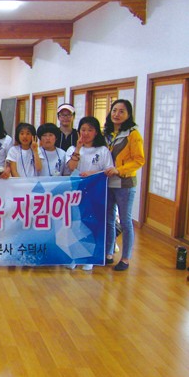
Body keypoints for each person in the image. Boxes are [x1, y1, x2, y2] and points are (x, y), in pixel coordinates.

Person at [65, 116, 114, 271]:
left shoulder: (103, 150)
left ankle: (90, 257)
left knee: (93, 223)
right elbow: (71, 168)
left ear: (96, 132)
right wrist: (78, 148)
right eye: (83, 130)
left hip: (96, 192)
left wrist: (92, 173)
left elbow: (108, 170)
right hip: (76, 191)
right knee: (76, 223)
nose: (86, 133)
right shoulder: (72, 149)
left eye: (90, 130)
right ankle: (75, 256)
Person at [103, 99, 145, 271]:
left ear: (128, 115)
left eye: (122, 111)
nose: (117, 114)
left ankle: (126, 258)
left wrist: (119, 170)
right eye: (114, 110)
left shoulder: (133, 134)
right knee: (108, 219)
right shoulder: (106, 133)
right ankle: (108, 253)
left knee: (126, 221)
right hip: (106, 183)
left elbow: (139, 160)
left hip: (124, 183)